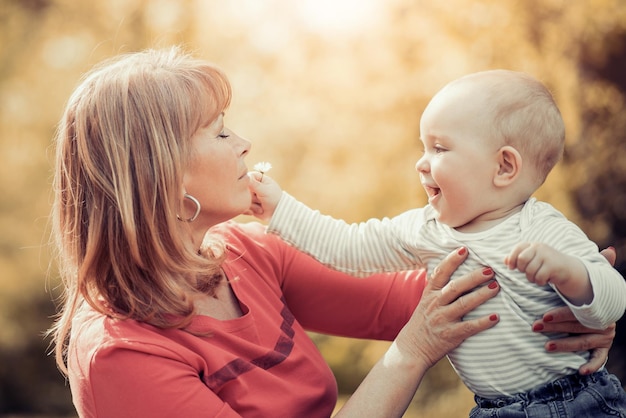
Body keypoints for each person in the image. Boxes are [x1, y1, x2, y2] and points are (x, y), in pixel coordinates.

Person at [46, 49, 615, 418]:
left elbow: (419, 298)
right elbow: (418, 328)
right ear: (160, 177)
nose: (244, 142)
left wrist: (568, 300)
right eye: (218, 133)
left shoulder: (243, 253)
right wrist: (411, 353)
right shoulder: (121, 356)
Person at [247, 69, 626, 417]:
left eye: (440, 149)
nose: (421, 163)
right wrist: (280, 209)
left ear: (504, 167)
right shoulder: (425, 229)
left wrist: (572, 274)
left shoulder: (541, 228)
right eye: (423, 147)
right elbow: (348, 246)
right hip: (495, 410)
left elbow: (612, 299)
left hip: (578, 401)